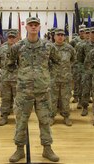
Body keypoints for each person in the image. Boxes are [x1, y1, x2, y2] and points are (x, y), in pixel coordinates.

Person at [8, 17, 60, 163]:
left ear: (39, 27)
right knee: (21, 121)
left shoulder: (48, 46)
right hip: (24, 92)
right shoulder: (18, 47)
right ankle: (19, 150)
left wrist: (47, 76)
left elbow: (57, 62)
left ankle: (47, 148)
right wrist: (21, 76)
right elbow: (9, 64)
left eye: (35, 25)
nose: (33, 27)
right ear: (26, 27)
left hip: (43, 91)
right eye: (30, 25)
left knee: (45, 120)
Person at [50, 29, 75, 126]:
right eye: (58, 35)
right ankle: (52, 116)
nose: (60, 36)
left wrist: (66, 68)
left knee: (65, 98)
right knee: (53, 98)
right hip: (53, 78)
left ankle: (66, 116)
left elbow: (73, 59)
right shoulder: (50, 48)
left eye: (62, 35)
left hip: (65, 78)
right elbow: (46, 61)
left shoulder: (69, 48)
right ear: (54, 36)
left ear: (64, 37)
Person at [0, 29, 18, 126]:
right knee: (5, 98)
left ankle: (19, 117)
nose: (12, 39)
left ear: (16, 38)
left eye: (13, 37)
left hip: (17, 78)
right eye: (10, 37)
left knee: (18, 99)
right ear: (7, 38)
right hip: (5, 78)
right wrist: (4, 69)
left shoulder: (20, 48)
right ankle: (4, 116)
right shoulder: (1, 48)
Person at [75, 26, 94, 116]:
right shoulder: (83, 45)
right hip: (87, 72)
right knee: (85, 90)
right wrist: (83, 71)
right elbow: (79, 60)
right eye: (92, 32)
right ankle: (85, 107)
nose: (93, 34)